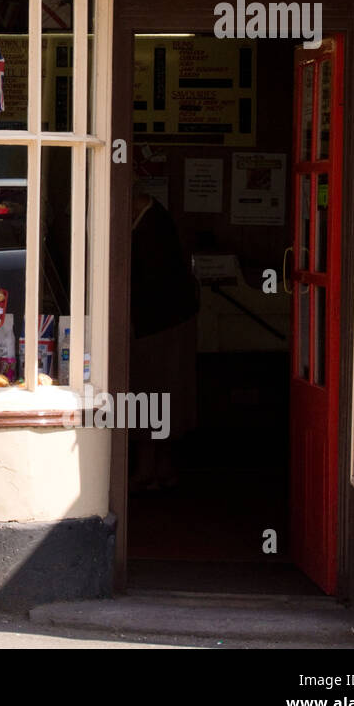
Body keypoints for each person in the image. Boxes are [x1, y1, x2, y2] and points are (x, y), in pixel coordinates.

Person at [129, 184, 199, 491]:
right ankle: (163, 470)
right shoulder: (158, 220)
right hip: (172, 321)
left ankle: (147, 472)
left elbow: (146, 282)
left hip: (156, 324)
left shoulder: (150, 227)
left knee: (149, 393)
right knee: (167, 396)